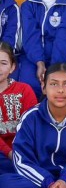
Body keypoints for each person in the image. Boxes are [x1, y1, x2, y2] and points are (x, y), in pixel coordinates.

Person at [16, 0, 66, 100]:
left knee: (58, 84)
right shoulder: (28, 6)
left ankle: (55, 112)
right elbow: (30, 36)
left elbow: (64, 38)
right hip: (32, 57)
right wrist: (39, 62)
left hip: (61, 58)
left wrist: (53, 67)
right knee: (28, 84)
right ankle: (33, 112)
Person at [0, 43, 37, 174]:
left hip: (23, 151)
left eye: (3, 63)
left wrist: (19, 154)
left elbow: (31, 125)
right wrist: (10, 153)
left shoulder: (24, 90)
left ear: (12, 67)